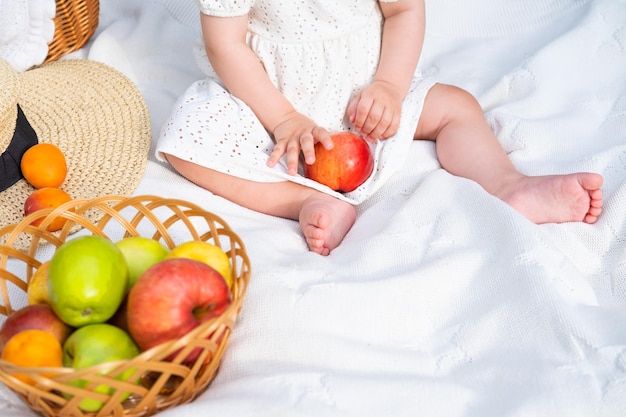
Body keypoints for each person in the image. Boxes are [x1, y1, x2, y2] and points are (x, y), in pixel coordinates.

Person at [156, 0, 603, 256]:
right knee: (186, 138)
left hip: (364, 95)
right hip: (272, 104)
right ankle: (305, 200)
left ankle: (508, 185)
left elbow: (405, 10)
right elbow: (225, 44)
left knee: (456, 106)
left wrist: (390, 85)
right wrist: (282, 118)